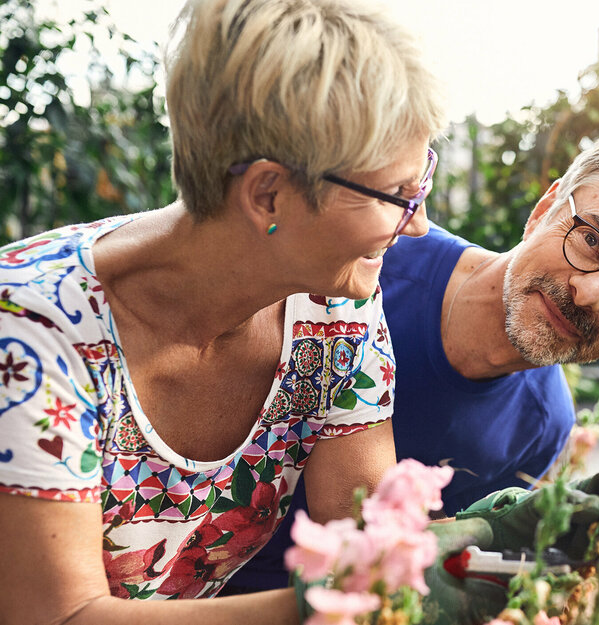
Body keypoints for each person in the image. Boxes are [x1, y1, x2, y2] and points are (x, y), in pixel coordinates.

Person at [0, 0, 446, 620]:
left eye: (422, 179)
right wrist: (350, 601)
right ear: (268, 193)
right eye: (397, 195)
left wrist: (473, 558)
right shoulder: (30, 325)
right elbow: (58, 616)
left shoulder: (336, 313)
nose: (420, 223)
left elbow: (371, 540)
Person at [228, 131, 599, 594]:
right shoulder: (367, 262)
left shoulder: (540, 429)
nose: (588, 292)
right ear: (544, 208)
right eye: (591, 240)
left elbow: (413, 588)